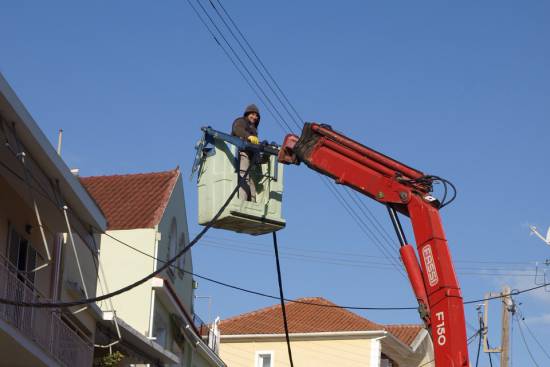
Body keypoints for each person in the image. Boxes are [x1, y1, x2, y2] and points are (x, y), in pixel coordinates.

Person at [232, 104, 260, 201]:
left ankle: (252, 202)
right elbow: (237, 129)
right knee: (244, 177)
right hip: (242, 154)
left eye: (256, 116)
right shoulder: (241, 121)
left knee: (252, 181)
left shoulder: (254, 130)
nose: (255, 117)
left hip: (251, 159)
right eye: (252, 114)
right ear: (247, 114)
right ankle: (242, 201)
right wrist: (248, 136)